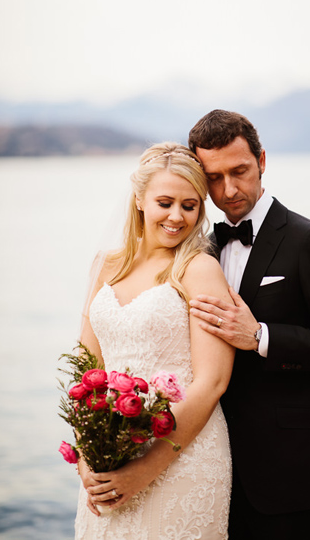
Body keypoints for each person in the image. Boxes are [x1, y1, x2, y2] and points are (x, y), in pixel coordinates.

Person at [186, 110, 310, 540]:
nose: (229, 189)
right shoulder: (201, 250)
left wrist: (260, 337)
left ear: (262, 161)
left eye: (240, 171)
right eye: (214, 178)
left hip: (294, 471)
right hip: (214, 469)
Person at [74, 142, 235, 540]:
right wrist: (86, 459)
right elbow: (86, 370)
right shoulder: (105, 265)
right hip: (109, 453)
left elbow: (212, 382)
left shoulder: (200, 269)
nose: (177, 217)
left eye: (190, 205)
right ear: (140, 200)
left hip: (185, 458)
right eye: (165, 202)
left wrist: (145, 469)